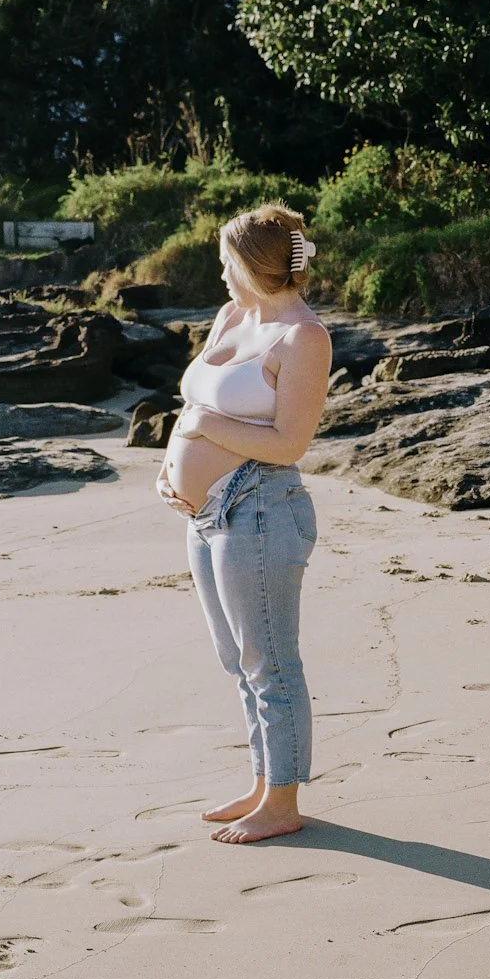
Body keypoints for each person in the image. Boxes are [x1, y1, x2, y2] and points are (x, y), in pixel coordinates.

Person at [155, 204, 333, 844]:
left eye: (227, 262)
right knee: (237, 660)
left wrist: (204, 428)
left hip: (260, 508)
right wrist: (170, 470)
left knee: (270, 661)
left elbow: (289, 444)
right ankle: (263, 784)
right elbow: (193, 403)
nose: (221, 273)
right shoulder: (232, 317)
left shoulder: (304, 338)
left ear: (255, 266)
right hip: (205, 515)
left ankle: (283, 803)